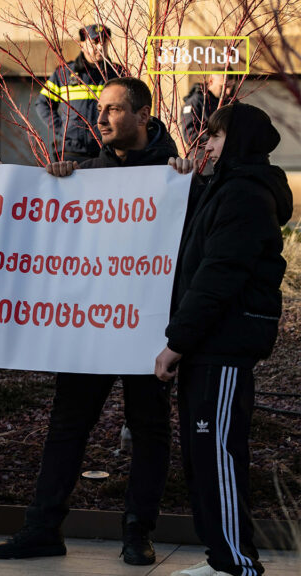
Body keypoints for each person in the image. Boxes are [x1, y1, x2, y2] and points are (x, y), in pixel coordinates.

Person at [0, 77, 179, 565]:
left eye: (114, 109)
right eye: (100, 109)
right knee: (67, 427)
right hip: (90, 326)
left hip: (147, 329)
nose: (102, 117)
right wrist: (47, 184)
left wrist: (189, 177)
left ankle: (138, 533)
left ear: (143, 118)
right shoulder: (83, 174)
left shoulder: (175, 175)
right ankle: (42, 528)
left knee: (149, 430)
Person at [156, 103, 293, 576]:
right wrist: (186, 179)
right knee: (204, 457)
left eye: (214, 138)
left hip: (222, 346)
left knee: (216, 455)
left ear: (237, 142)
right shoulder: (225, 189)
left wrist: (176, 341)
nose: (206, 145)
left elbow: (217, 276)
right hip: (209, 345)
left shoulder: (245, 195)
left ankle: (236, 564)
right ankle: (222, 558)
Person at [35, 23, 128, 162]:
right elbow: (43, 103)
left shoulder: (118, 74)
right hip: (72, 152)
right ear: (82, 45)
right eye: (95, 42)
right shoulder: (65, 73)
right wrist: (62, 130)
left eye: (104, 42)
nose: (100, 47)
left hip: (107, 152)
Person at [181, 71, 237, 172]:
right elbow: (190, 135)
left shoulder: (232, 103)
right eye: (223, 87)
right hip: (204, 164)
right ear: (211, 81)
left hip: (229, 164)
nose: (228, 92)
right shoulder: (196, 102)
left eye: (231, 87)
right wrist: (218, 139)